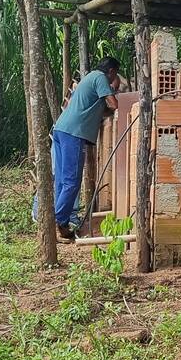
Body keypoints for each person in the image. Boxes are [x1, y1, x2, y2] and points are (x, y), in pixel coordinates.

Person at [48, 56, 121, 241]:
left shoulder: (90, 78)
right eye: (115, 75)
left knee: (63, 181)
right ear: (111, 71)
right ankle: (60, 223)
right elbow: (114, 105)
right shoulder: (100, 78)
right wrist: (115, 88)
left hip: (61, 129)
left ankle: (56, 222)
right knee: (72, 181)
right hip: (73, 133)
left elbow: (101, 110)